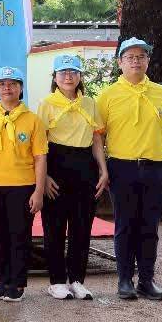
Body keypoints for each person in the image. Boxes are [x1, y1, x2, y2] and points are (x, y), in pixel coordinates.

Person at [97, 38, 162, 301]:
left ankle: (147, 280)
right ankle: (124, 280)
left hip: (156, 168)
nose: (136, 61)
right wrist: (102, 169)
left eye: (141, 56)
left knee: (150, 226)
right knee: (125, 225)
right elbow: (98, 136)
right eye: (130, 57)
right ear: (120, 63)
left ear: (148, 61)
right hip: (121, 167)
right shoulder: (107, 95)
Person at [37, 54, 109, 301]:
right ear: (55, 77)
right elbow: (40, 144)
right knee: (54, 226)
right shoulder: (46, 104)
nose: (68, 76)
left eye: (73, 72)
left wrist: (103, 169)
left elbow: (97, 138)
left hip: (85, 167)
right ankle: (57, 281)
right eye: (63, 72)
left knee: (82, 225)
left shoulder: (90, 103)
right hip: (56, 166)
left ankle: (77, 280)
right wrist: (44, 176)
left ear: (80, 76)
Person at [0, 66, 47, 302]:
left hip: (22, 186)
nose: (7, 88)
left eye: (13, 84)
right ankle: (2, 280)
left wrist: (38, 191)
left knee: (20, 235)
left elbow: (40, 157)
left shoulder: (33, 120)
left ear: (21, 88)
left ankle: (17, 283)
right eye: (2, 84)